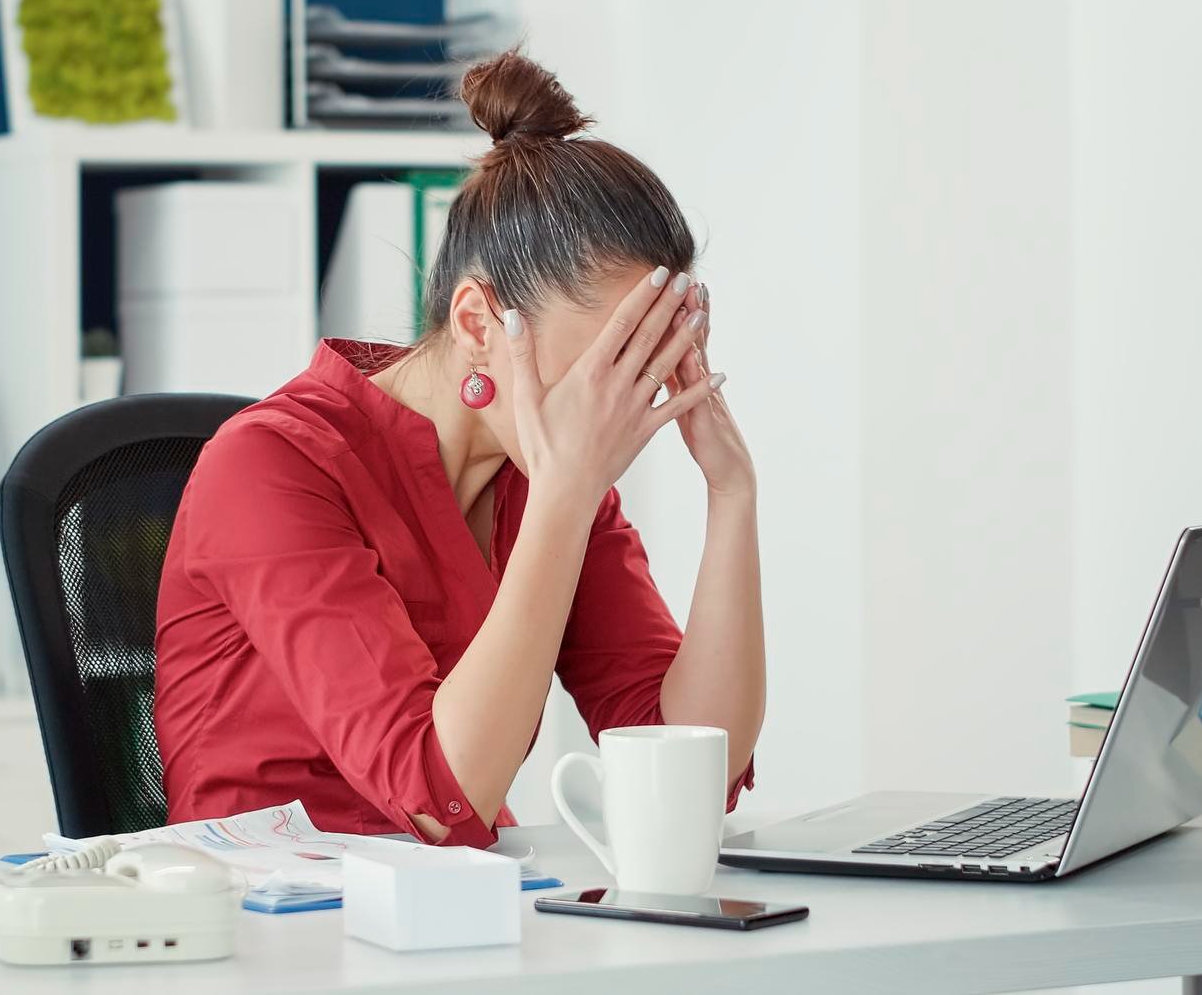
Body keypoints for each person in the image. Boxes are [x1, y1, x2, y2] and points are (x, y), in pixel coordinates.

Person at [154, 50, 764, 846]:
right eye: (601, 367)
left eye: (642, 367)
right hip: (276, 917)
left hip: (461, 906)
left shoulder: (545, 477)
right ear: (479, 323)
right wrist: (565, 498)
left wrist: (732, 492)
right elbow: (440, 795)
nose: (615, 409)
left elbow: (697, 763)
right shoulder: (269, 465)